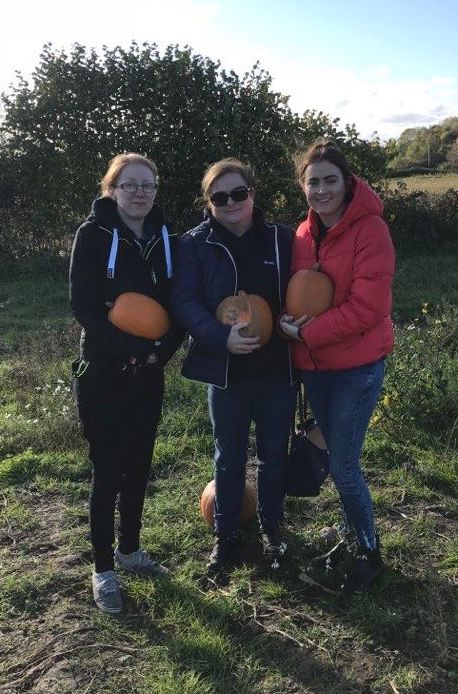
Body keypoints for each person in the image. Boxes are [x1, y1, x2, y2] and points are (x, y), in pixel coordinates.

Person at [70, 153, 183, 613]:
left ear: (155, 191)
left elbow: (178, 303)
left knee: (139, 466)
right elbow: (83, 305)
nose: (139, 192)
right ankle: (103, 569)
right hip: (102, 373)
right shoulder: (92, 235)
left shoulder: (166, 239)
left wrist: (164, 350)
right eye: (129, 184)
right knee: (107, 472)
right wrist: (128, 349)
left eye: (147, 184)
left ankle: (130, 550)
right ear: (111, 189)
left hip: (148, 374)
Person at [280, 141, 395, 593]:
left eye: (331, 180)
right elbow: (296, 293)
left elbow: (369, 308)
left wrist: (305, 334)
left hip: (356, 368)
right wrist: (286, 323)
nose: (322, 190)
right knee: (334, 457)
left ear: (347, 183)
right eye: (313, 182)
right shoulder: (302, 236)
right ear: (303, 187)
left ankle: (368, 551)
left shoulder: (371, 232)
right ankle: (351, 534)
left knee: (344, 466)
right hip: (315, 367)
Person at [172, 158, 296, 576]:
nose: (230, 202)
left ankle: (272, 529)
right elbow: (185, 301)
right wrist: (218, 336)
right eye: (219, 197)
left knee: (274, 454)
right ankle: (225, 537)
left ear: (252, 193)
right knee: (228, 458)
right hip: (226, 373)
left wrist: (295, 321)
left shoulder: (281, 239)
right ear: (209, 203)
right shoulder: (194, 244)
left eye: (238, 193)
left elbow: (304, 288)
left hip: (277, 368)